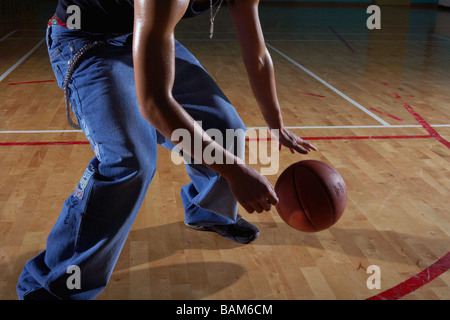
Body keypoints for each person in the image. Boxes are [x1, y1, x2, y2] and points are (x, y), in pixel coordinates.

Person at [16, 0, 317, 300]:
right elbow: (155, 104)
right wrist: (236, 172)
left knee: (226, 129)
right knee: (130, 161)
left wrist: (277, 125)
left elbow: (258, 55)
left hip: (139, 33)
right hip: (84, 40)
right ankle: (51, 286)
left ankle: (208, 211)